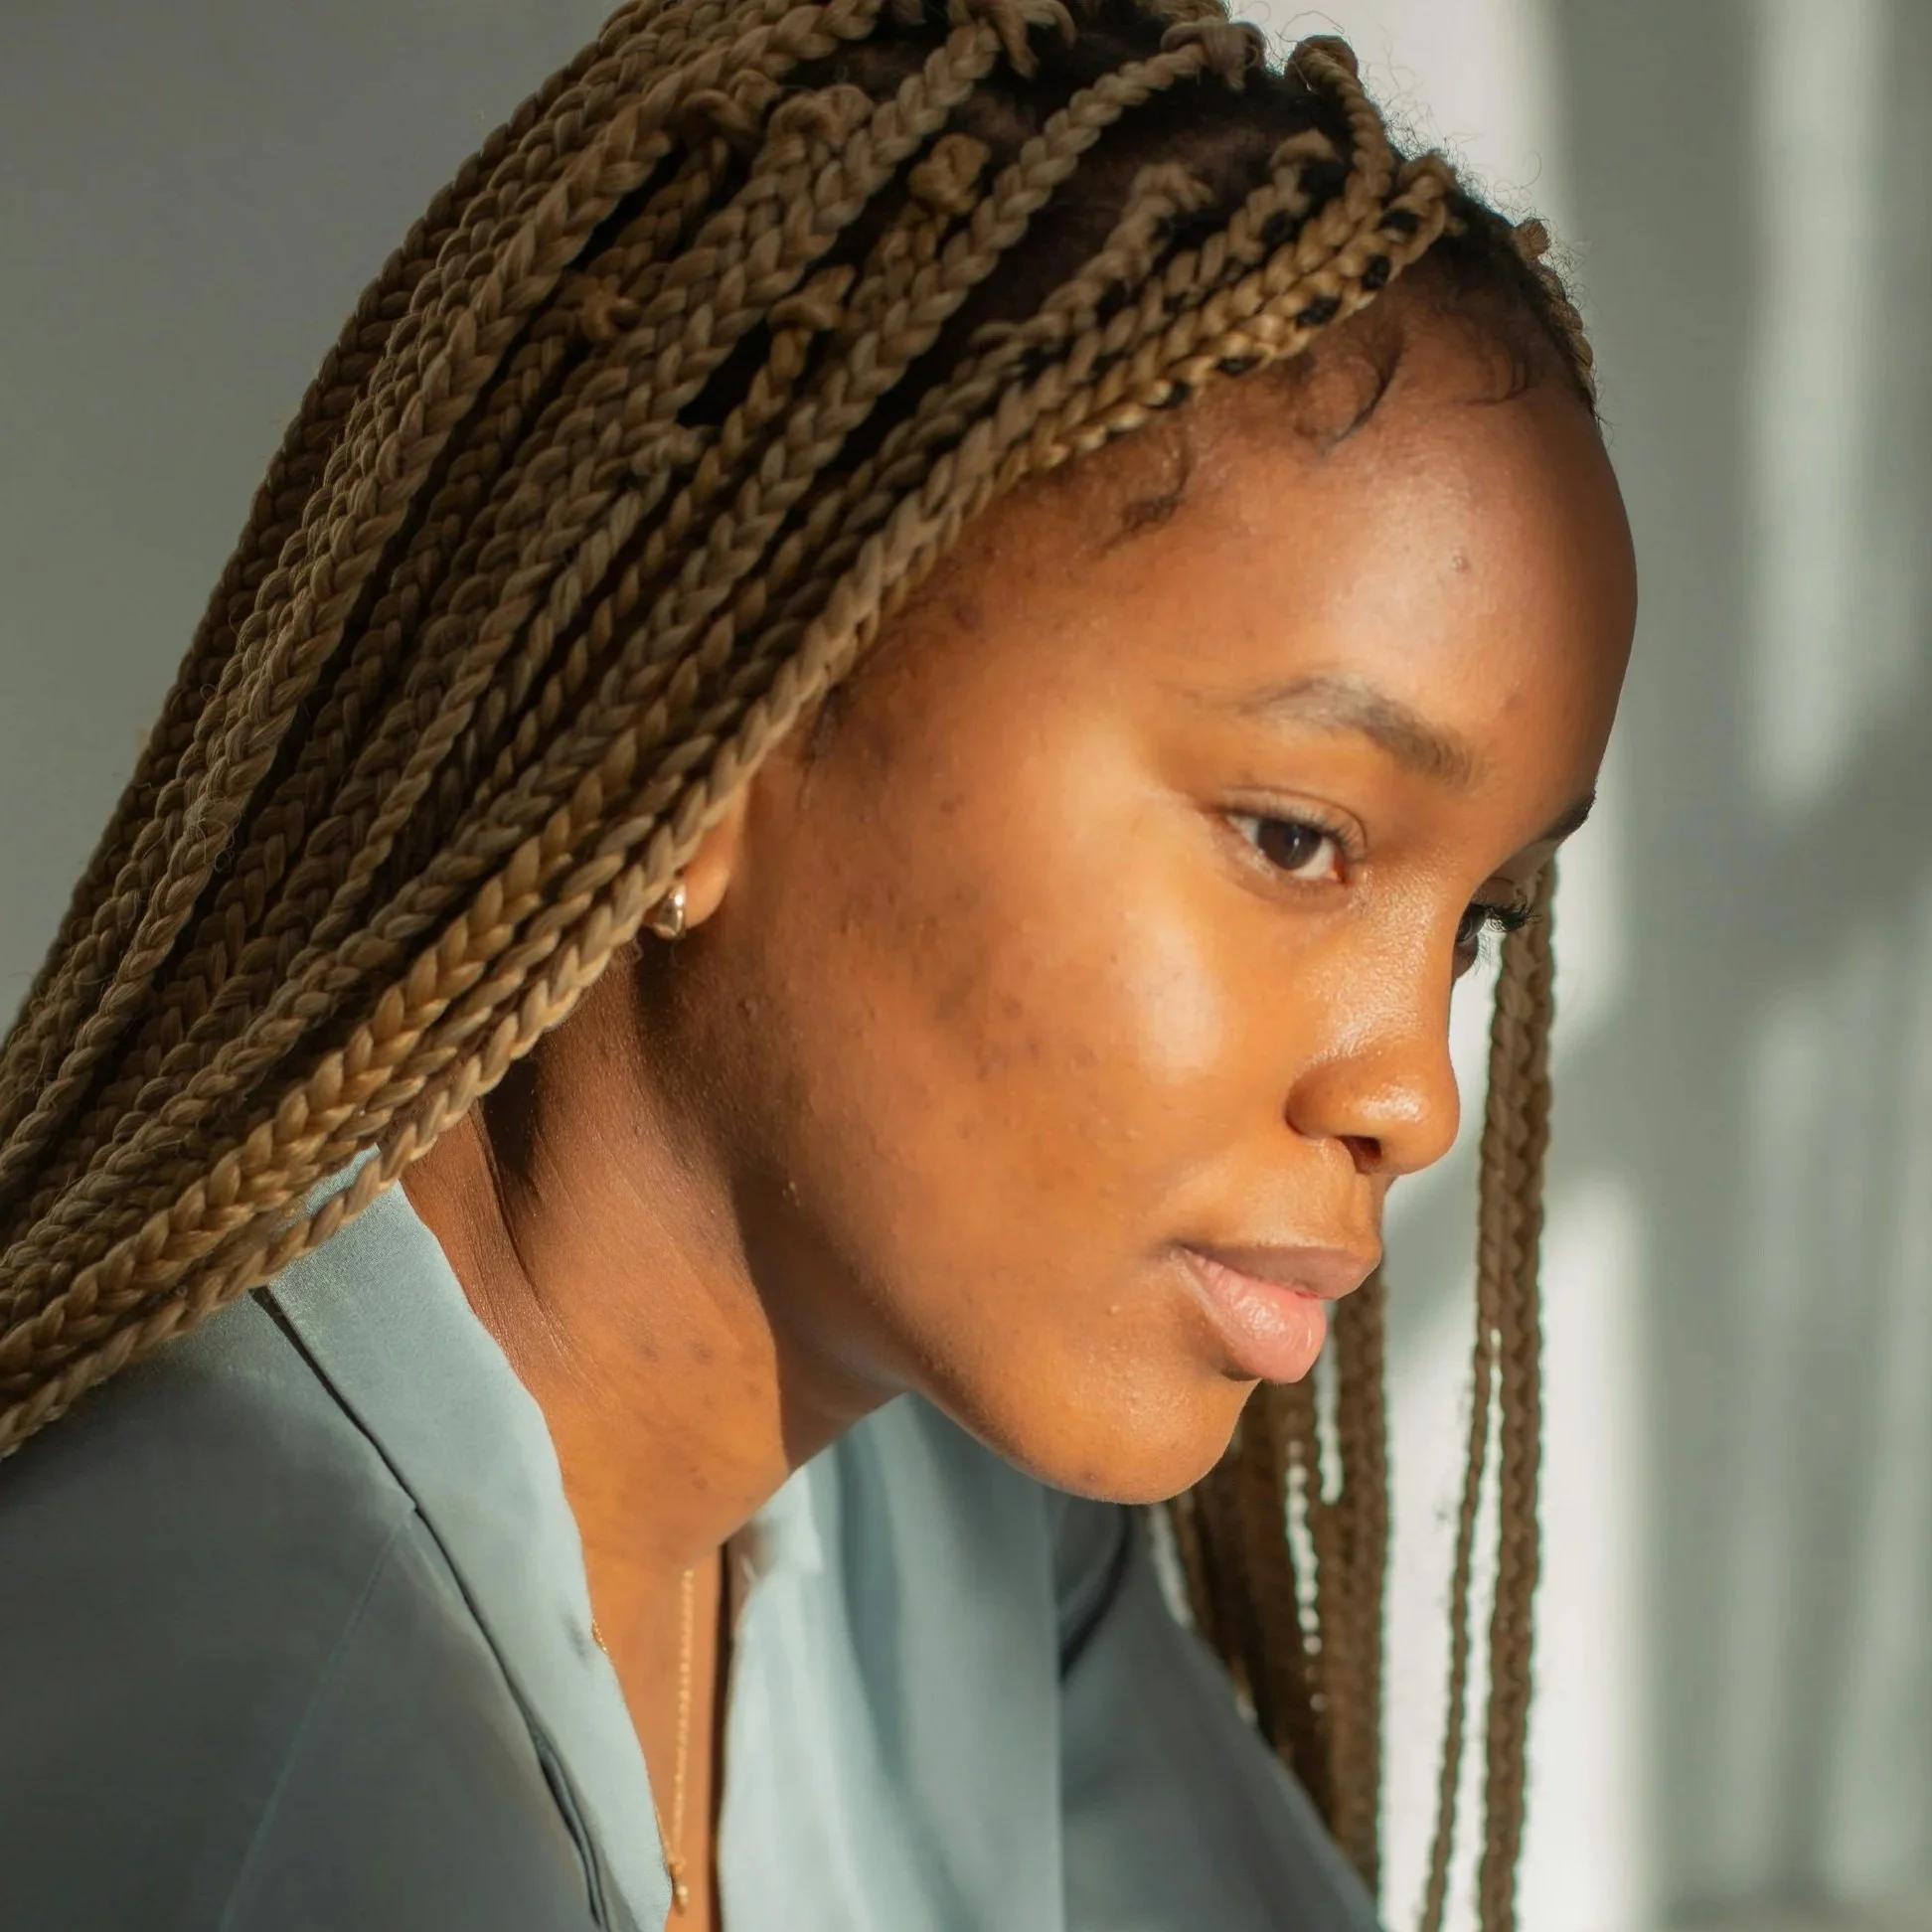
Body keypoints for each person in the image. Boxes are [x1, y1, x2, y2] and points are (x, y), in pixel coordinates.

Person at [0, 0, 1635, 1927]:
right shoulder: (247, 1791)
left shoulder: (929, 1524)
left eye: (1480, 921)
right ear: (702, 729)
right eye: (1295, 839)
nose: (1414, 1095)